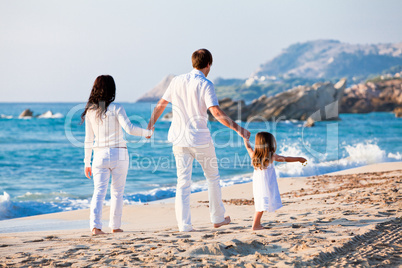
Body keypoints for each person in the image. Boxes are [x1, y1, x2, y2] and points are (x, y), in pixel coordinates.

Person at [147, 48, 251, 232]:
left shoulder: (176, 81)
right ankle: (218, 218)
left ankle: (184, 226)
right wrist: (239, 129)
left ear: (193, 62)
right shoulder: (205, 84)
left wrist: (150, 126)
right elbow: (216, 112)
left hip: (179, 139)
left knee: (183, 182)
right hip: (200, 138)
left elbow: (161, 105)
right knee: (212, 178)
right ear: (209, 64)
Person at [82, 75, 153, 235]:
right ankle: (115, 226)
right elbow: (129, 129)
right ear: (111, 89)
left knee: (98, 192)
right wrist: (146, 133)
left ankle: (95, 227)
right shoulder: (117, 107)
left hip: (99, 155)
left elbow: (88, 139)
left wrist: (87, 162)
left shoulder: (90, 111)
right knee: (117, 192)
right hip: (119, 153)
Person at [243, 132, 307, 230]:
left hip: (258, 184)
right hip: (267, 183)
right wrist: (299, 159)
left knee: (261, 202)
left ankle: (257, 224)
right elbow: (285, 159)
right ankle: (255, 225)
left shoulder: (254, 155)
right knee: (262, 203)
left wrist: (245, 138)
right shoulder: (271, 156)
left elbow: (248, 147)